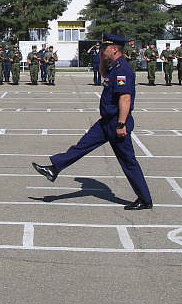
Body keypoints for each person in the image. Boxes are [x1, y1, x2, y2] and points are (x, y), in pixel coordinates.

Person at [32, 33, 152, 211]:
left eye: (106, 48)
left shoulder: (123, 69)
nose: (102, 51)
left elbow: (125, 98)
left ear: (115, 49)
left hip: (117, 123)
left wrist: (121, 124)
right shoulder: (115, 66)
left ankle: (145, 199)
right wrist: (104, 59)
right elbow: (104, 74)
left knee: (128, 162)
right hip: (105, 122)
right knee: (82, 145)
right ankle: (54, 168)